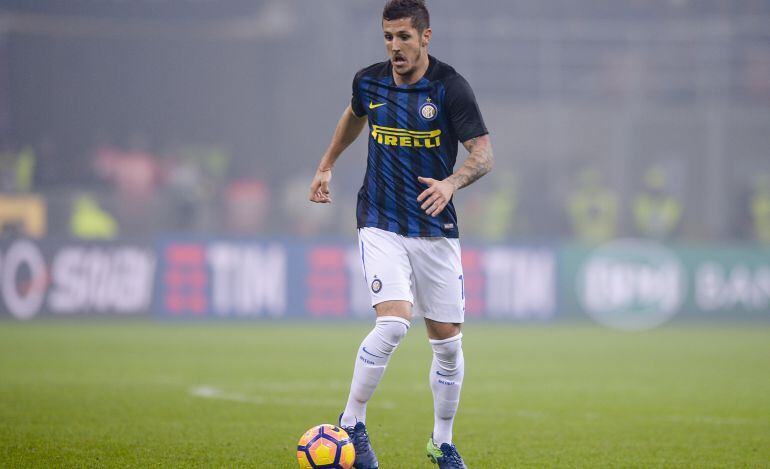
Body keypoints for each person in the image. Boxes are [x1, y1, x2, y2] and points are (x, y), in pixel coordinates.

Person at [308, 1, 493, 467]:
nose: (395, 47)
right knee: (393, 322)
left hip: (435, 228)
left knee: (448, 344)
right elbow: (354, 115)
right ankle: (351, 424)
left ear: (425, 37)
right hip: (380, 222)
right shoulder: (369, 81)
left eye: (404, 37)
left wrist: (452, 182)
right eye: (388, 37)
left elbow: (484, 154)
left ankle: (442, 443)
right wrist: (327, 165)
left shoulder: (450, 88)